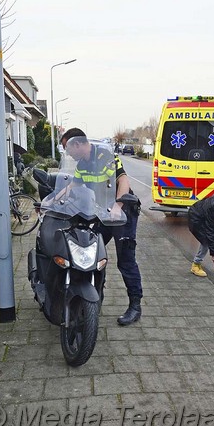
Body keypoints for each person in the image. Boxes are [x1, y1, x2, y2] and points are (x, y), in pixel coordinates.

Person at [60, 128, 143, 325]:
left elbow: (123, 180)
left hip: (122, 213)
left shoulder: (105, 155)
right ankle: (95, 296)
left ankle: (135, 306)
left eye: (67, 148)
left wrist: (117, 205)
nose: (68, 153)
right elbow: (73, 186)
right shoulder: (82, 164)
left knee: (126, 260)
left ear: (77, 144)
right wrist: (53, 201)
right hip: (101, 213)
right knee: (91, 252)